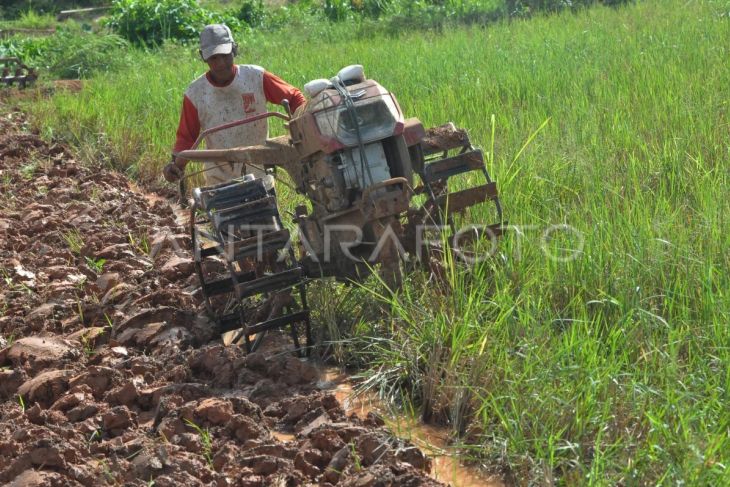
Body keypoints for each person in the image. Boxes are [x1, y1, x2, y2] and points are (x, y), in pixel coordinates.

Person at [163, 24, 306, 186]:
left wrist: (305, 125)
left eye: (225, 55)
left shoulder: (255, 77)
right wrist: (176, 166)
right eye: (214, 58)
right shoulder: (196, 93)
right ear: (203, 56)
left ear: (234, 49)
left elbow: (294, 98)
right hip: (219, 180)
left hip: (259, 176)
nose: (221, 63)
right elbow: (186, 138)